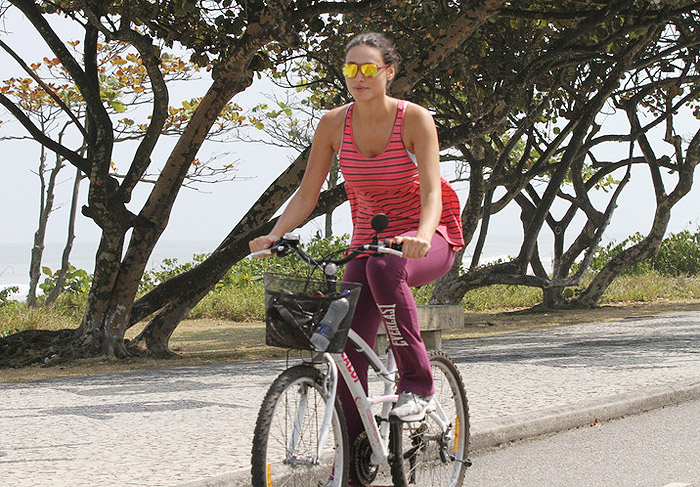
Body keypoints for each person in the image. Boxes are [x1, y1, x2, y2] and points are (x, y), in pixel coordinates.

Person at [249, 32, 465, 483]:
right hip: (367, 243)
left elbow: (431, 191)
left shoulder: (414, 119)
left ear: (388, 71)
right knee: (345, 347)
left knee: (385, 268)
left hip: (429, 238)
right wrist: (275, 233)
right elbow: (307, 194)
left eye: (369, 68)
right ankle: (356, 460)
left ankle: (418, 382)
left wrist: (422, 235)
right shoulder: (332, 124)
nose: (359, 77)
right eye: (351, 69)